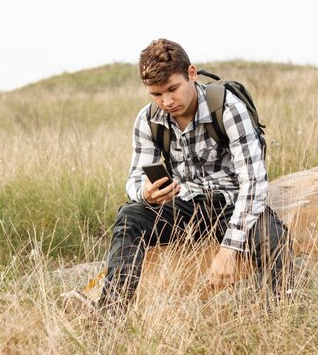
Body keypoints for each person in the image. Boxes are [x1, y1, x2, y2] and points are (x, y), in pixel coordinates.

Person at [98, 38, 293, 314]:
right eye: (156, 94)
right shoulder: (148, 119)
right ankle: (109, 317)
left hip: (230, 204)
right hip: (183, 204)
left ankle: (281, 317)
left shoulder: (227, 108)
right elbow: (134, 178)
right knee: (130, 216)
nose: (166, 101)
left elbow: (254, 183)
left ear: (192, 73)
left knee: (273, 239)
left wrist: (228, 250)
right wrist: (146, 193)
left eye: (172, 89)